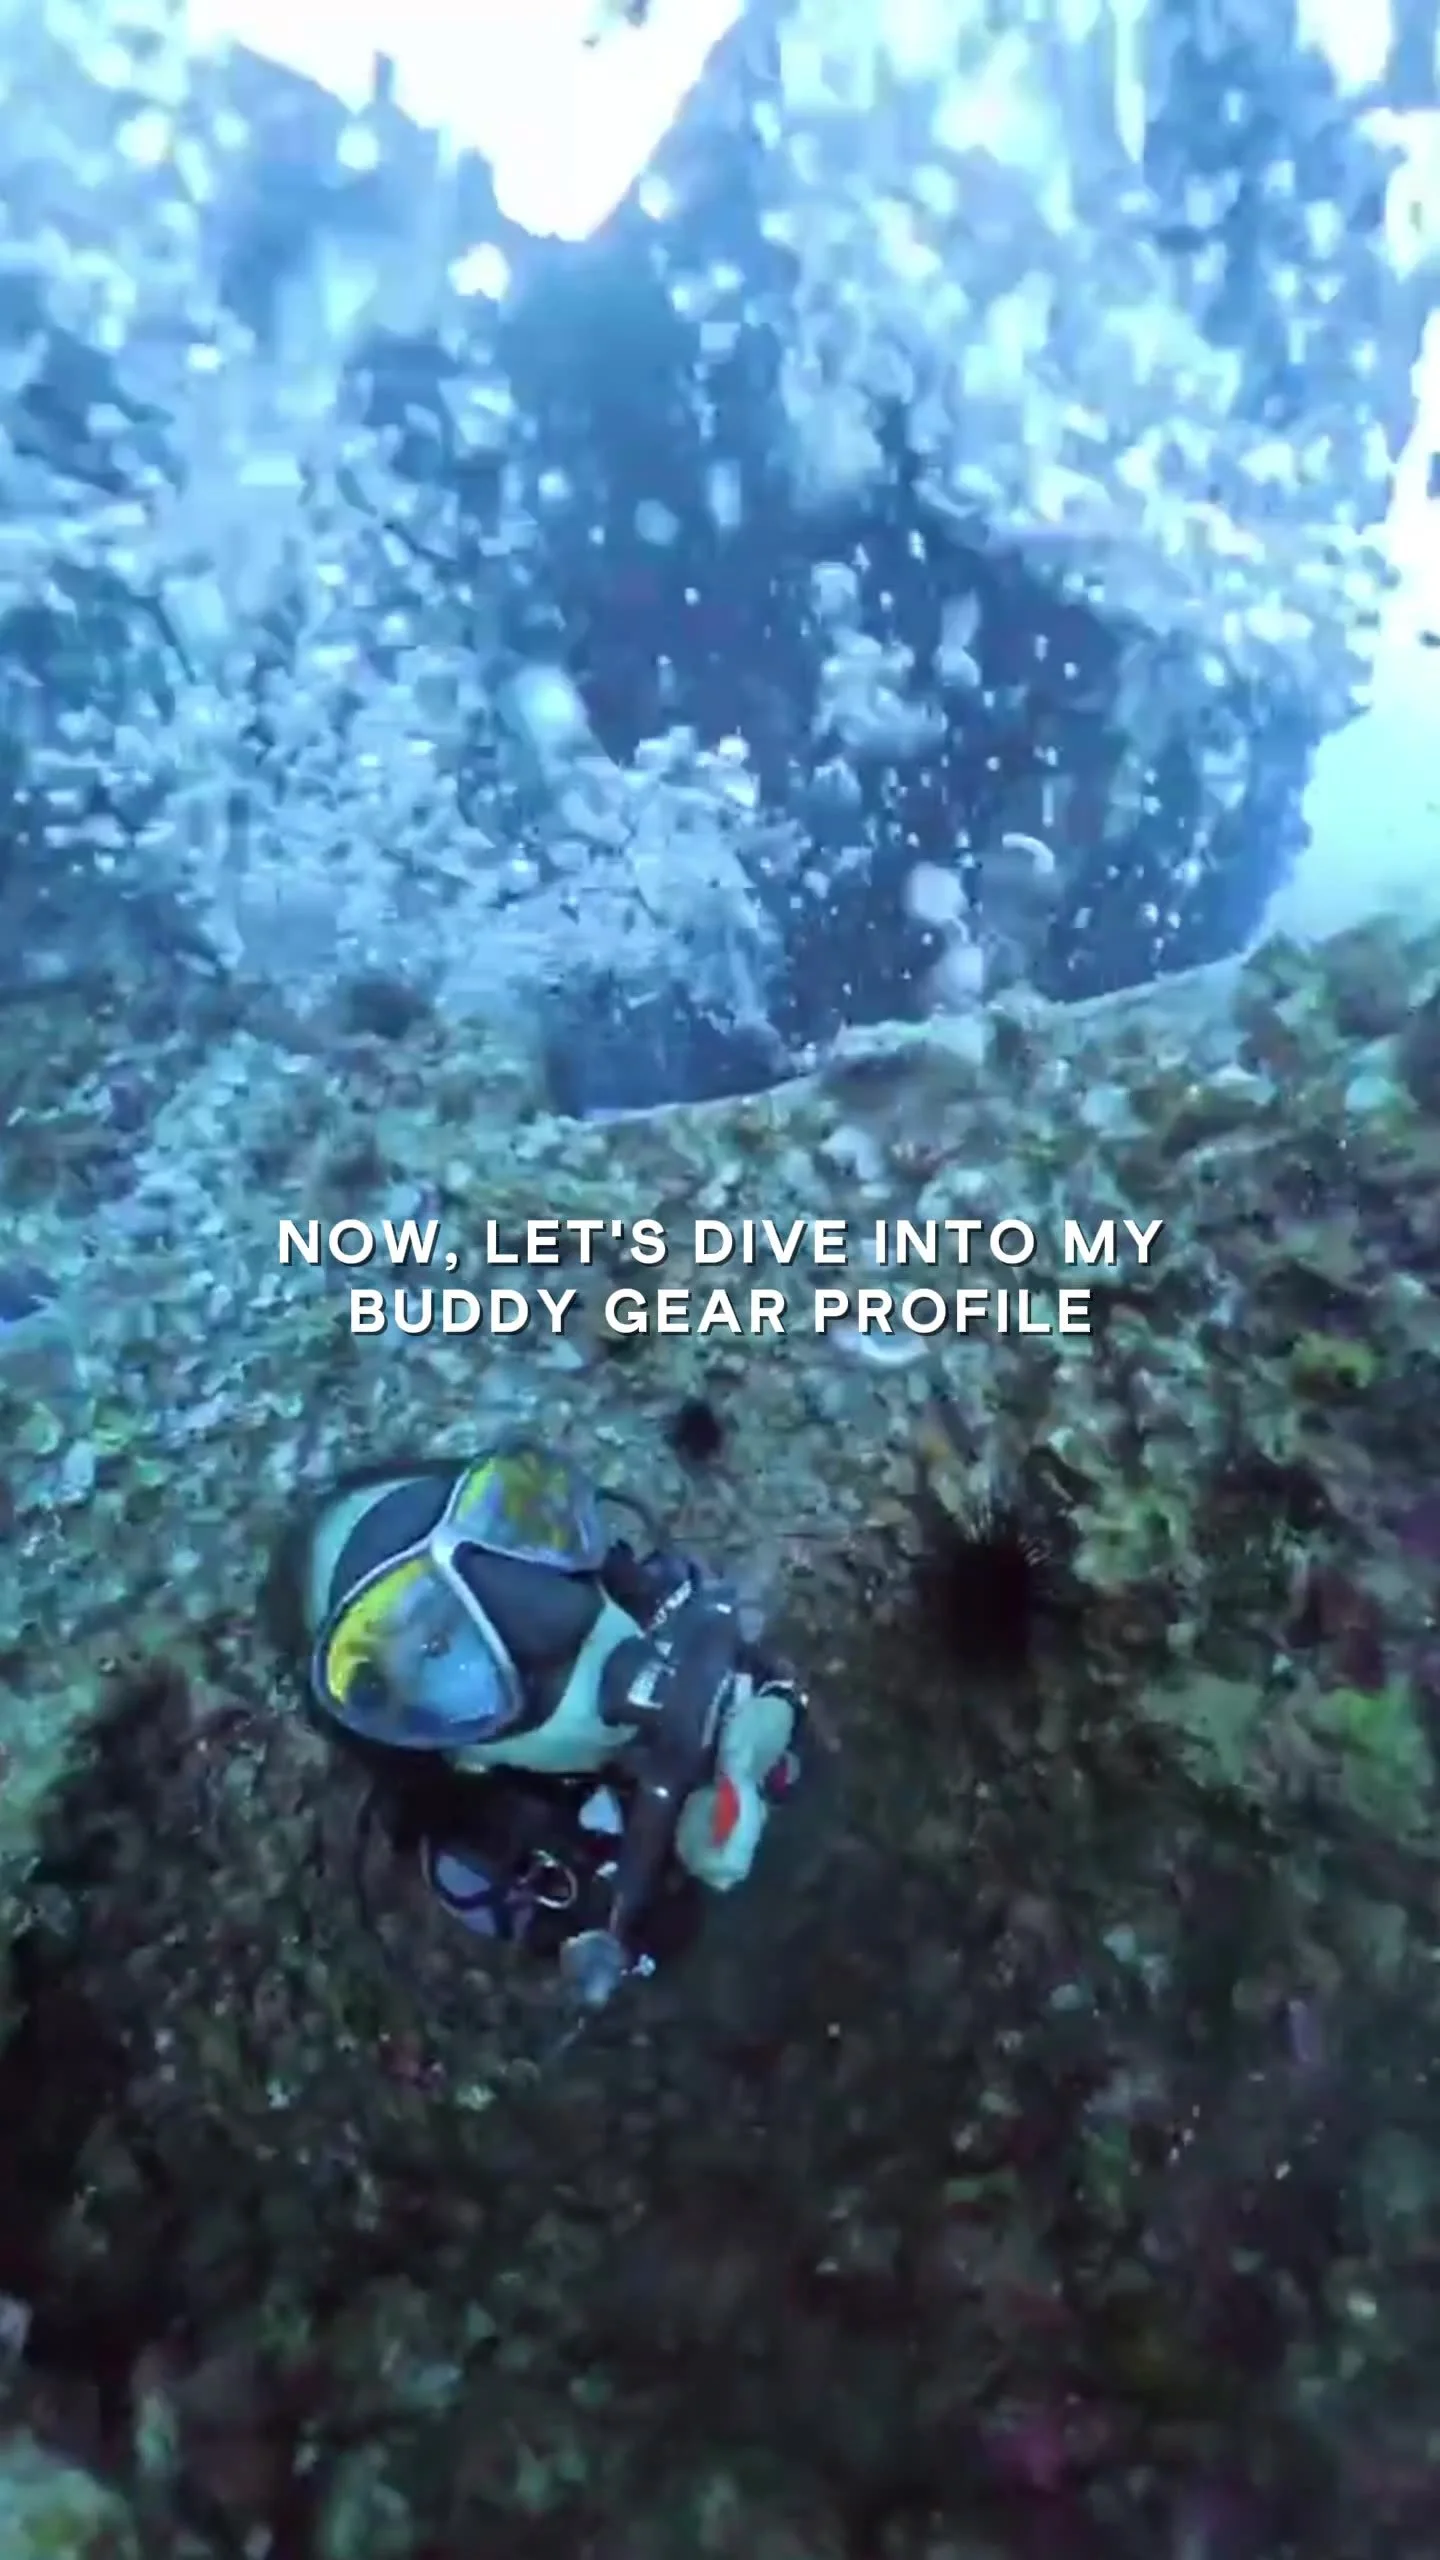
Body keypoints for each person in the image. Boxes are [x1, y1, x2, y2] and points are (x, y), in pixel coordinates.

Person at [297, 1441, 805, 2006]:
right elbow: (643, 1950)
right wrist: (673, 1868)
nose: (548, 1609)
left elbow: (773, 1686)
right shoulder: (487, 1863)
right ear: (452, 1751)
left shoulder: (657, 1596)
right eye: (438, 1647)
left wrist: (766, 1735)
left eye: (509, 1535)